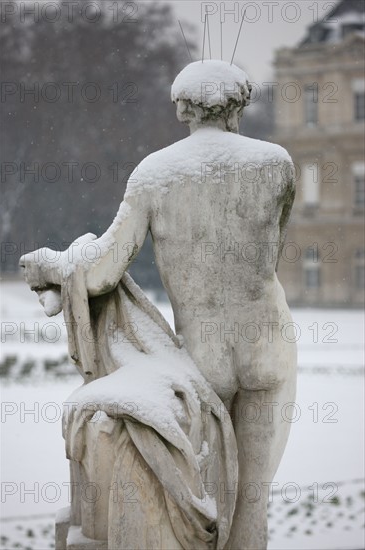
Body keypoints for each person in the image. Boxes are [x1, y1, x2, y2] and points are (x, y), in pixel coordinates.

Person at [21, 60, 297, 550]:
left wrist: (54, 266)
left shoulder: (157, 172)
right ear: (238, 106)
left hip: (205, 354)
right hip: (268, 343)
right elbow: (270, 252)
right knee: (253, 499)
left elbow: (103, 267)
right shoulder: (276, 164)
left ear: (183, 107)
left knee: (209, 493)